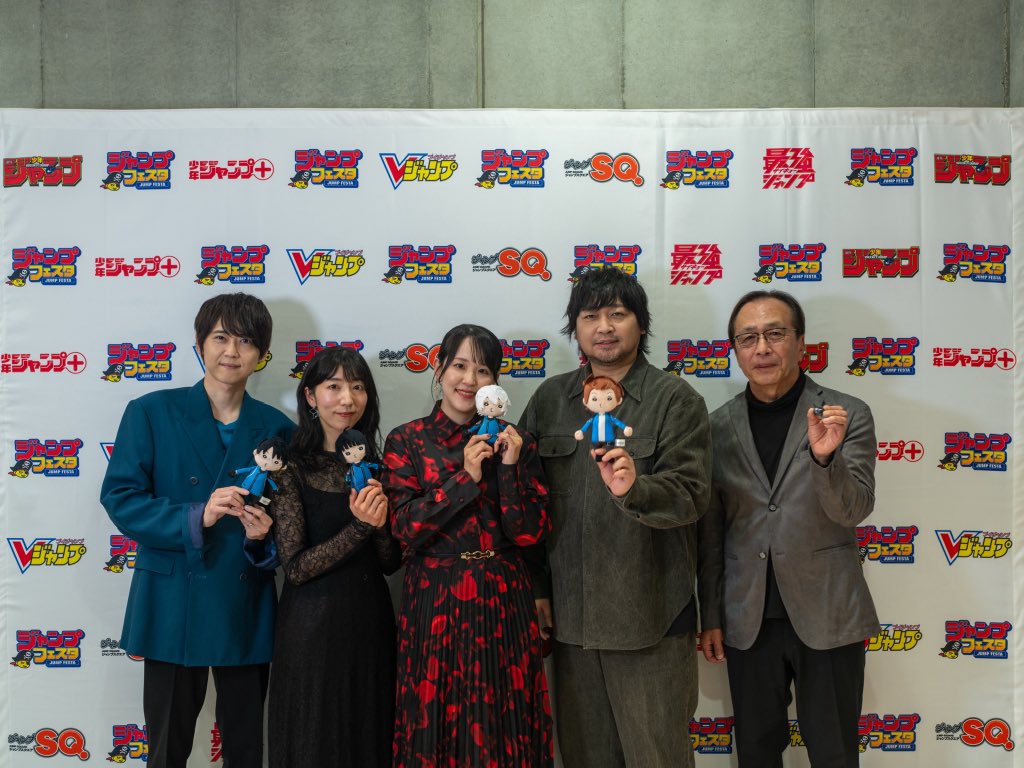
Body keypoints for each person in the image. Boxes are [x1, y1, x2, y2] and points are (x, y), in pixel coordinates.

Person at [519, 267, 712, 768]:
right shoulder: (549, 401)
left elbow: (691, 495)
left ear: (640, 325)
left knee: (659, 758)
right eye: (590, 316)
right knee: (584, 757)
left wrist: (636, 488)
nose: (604, 327)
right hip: (571, 624)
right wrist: (536, 587)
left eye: (617, 314)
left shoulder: (676, 400)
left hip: (651, 621)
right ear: (576, 328)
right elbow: (524, 505)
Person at [100, 293, 293, 768]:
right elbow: (121, 498)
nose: (232, 351)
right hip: (172, 603)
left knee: (246, 749)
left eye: (246, 341)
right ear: (200, 343)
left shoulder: (279, 429)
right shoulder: (151, 411)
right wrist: (197, 516)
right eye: (221, 337)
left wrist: (261, 539)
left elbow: (291, 525)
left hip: (243, 603)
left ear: (262, 353)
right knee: (166, 749)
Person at [697, 289, 879, 767]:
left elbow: (853, 509)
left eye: (775, 334)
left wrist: (826, 460)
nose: (762, 348)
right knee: (756, 753)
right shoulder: (716, 427)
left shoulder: (846, 414)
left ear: (801, 344)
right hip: (748, 619)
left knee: (835, 753)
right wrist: (711, 614)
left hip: (828, 612)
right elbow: (712, 533)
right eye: (748, 338)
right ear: (735, 350)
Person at [381, 323, 553, 767]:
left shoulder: (516, 441)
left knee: (504, 723)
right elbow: (403, 528)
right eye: (459, 366)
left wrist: (509, 468)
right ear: (438, 368)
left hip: (504, 597)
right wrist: (465, 478)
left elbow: (529, 534)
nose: (469, 380)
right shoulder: (406, 439)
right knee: (433, 720)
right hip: (434, 599)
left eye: (482, 370)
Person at [266, 346, 400, 768]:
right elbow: (296, 567)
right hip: (310, 630)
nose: (347, 399)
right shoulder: (289, 468)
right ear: (310, 396)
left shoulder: (377, 466)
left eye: (358, 387)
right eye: (334, 387)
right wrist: (359, 526)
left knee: (368, 737)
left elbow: (389, 562)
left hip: (369, 625)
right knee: (313, 742)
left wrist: (378, 524)